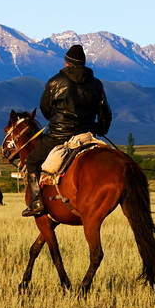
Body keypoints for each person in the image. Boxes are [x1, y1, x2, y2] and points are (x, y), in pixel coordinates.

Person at [22, 44, 112, 216]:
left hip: (59, 135)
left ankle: (36, 202)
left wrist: (57, 121)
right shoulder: (96, 83)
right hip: (87, 134)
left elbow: (46, 109)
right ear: (83, 63)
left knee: (32, 161)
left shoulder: (55, 82)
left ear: (67, 63)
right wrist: (101, 129)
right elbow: (105, 112)